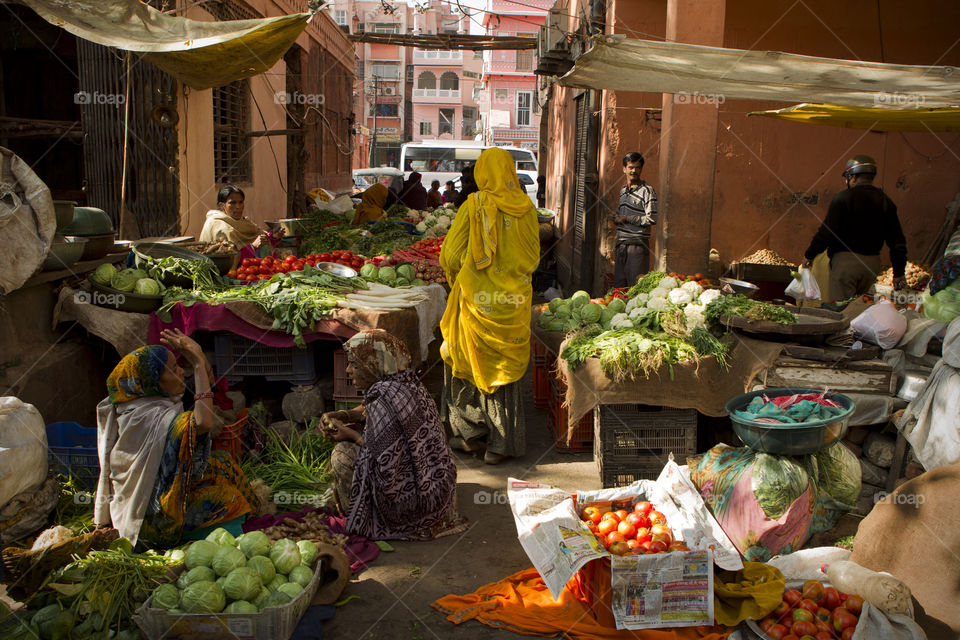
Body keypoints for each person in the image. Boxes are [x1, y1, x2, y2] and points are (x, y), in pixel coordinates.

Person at [94, 329, 259, 547]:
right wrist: (198, 363)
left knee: (222, 464)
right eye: (173, 370)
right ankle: (208, 535)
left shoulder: (150, 401)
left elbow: (206, 389)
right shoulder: (148, 418)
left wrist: (197, 354)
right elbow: (203, 423)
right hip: (150, 520)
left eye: (181, 366)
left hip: (161, 490)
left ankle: (249, 513)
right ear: (155, 382)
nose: (182, 372)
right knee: (230, 499)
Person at [439, 147, 540, 464]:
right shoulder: (526, 207)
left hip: (476, 304)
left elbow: (452, 256)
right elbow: (534, 259)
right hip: (513, 304)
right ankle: (501, 445)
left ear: (483, 173)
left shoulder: (474, 205)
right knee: (505, 373)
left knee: (463, 360)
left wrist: (460, 278)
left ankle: (470, 436)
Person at [318, 330, 465, 540]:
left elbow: (381, 461)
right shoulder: (404, 382)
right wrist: (341, 414)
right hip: (437, 482)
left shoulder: (384, 399)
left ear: (373, 366)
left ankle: (371, 519)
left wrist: (348, 435)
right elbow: (364, 411)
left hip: (415, 502)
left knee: (341, 455)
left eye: (355, 365)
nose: (349, 370)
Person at [802, 155, 908, 300]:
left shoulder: (843, 199)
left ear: (852, 177)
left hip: (846, 264)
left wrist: (810, 254)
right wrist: (899, 272)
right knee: (858, 309)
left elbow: (827, 232)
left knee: (840, 310)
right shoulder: (885, 201)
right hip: (871, 266)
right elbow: (897, 241)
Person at [199, 185, 284, 260]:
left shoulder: (244, 222)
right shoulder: (219, 226)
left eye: (241, 202)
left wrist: (273, 237)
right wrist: (252, 247)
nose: (238, 207)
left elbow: (259, 239)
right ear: (222, 205)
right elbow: (229, 259)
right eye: (232, 203)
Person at [613, 152, 658, 288]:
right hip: (621, 245)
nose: (634, 171)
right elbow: (621, 212)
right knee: (620, 287)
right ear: (624, 169)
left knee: (635, 287)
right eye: (631, 167)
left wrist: (627, 218)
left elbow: (652, 218)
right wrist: (616, 217)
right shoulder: (623, 190)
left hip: (637, 246)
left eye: (637, 168)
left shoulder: (647, 191)